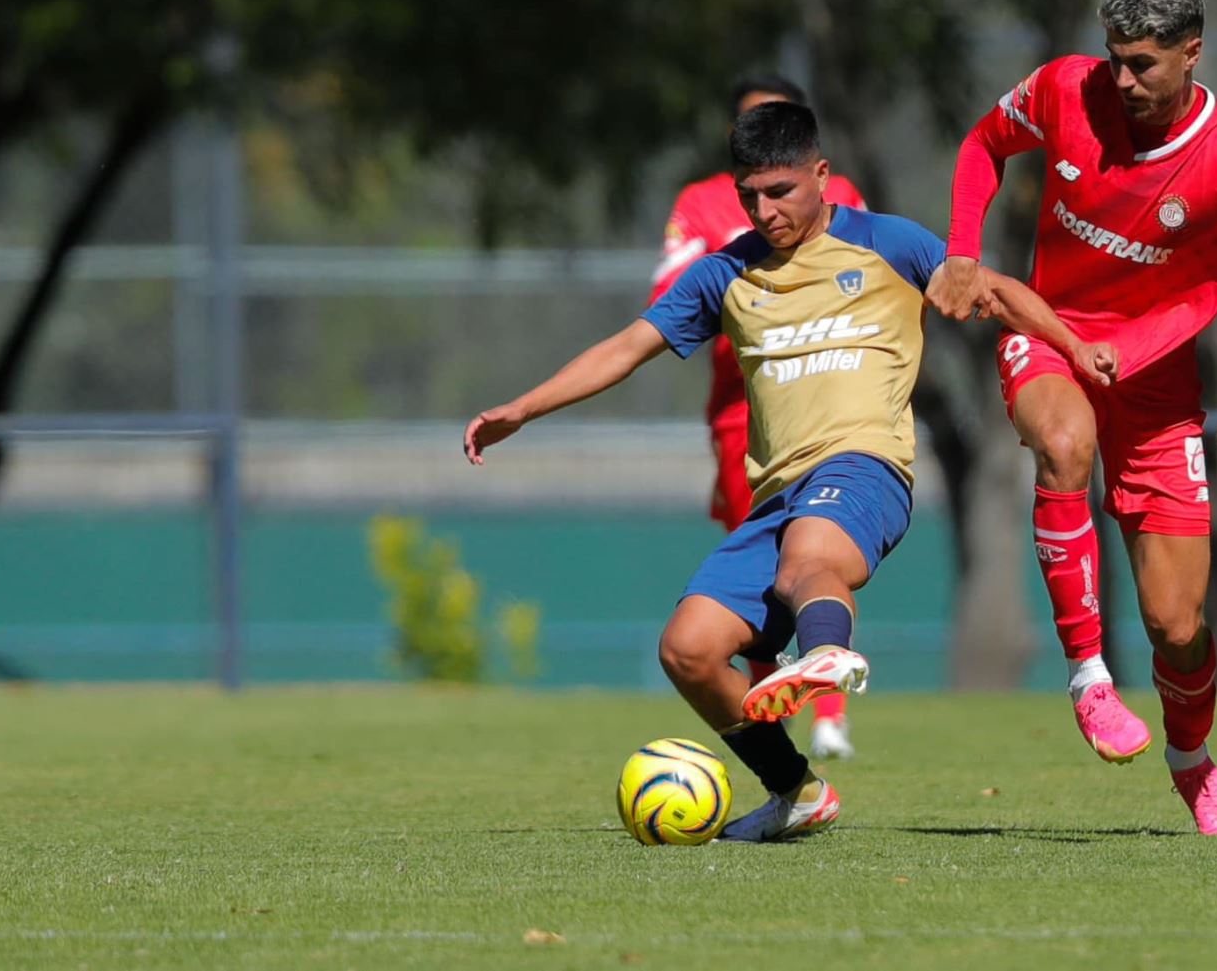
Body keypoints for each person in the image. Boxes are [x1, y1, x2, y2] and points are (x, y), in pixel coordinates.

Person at [466, 101, 1116, 842]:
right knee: (689, 648)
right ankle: (796, 790)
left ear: (821, 175)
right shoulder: (726, 274)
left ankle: (827, 649)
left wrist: (1072, 345)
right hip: (776, 499)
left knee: (809, 560)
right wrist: (522, 408)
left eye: (780, 191)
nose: (764, 210)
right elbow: (625, 347)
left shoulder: (887, 243)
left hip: (864, 468)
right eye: (749, 195)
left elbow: (994, 290)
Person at [926, 0, 1217, 835]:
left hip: (1155, 379)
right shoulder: (1065, 89)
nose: (1122, 79)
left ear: (1192, 53)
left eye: (1143, 64)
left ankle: (1194, 764)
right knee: (1062, 444)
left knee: (1177, 623)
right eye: (1115, 58)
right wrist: (963, 249)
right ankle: (1088, 677)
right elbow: (979, 147)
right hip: (1049, 331)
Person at [649, 75, 868, 761]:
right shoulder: (703, 204)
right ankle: (775, 717)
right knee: (756, 582)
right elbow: (671, 292)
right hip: (744, 412)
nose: (766, 202)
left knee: (812, 552)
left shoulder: (845, 201)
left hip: (834, 408)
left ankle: (828, 710)